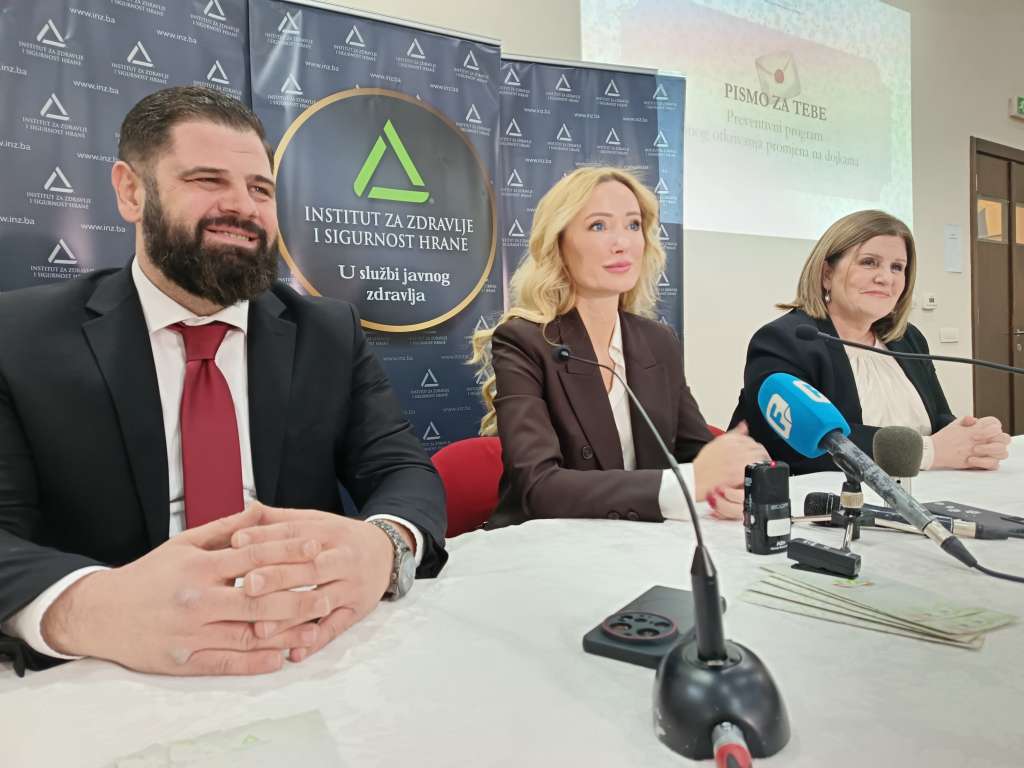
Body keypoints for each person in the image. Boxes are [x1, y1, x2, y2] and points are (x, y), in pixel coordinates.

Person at [0, 86, 446, 676]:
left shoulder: (327, 331)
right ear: (131, 191)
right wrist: (87, 608)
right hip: (111, 674)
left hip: (307, 653)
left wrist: (383, 545)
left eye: (260, 189)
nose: (243, 207)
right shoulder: (19, 337)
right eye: (207, 180)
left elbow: (402, 470)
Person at [471, 167, 768, 527]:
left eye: (633, 225)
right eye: (598, 226)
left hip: (637, 541)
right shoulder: (524, 341)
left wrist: (731, 481)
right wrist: (689, 482)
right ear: (558, 244)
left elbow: (693, 452)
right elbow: (539, 488)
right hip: (547, 545)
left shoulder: (658, 342)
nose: (622, 242)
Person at [730, 209, 1011, 474]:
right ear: (827, 274)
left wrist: (973, 440)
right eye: (869, 262)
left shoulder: (908, 339)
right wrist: (928, 452)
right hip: (826, 501)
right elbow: (805, 449)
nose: (885, 278)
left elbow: (938, 419)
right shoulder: (784, 340)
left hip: (924, 490)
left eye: (897, 267)